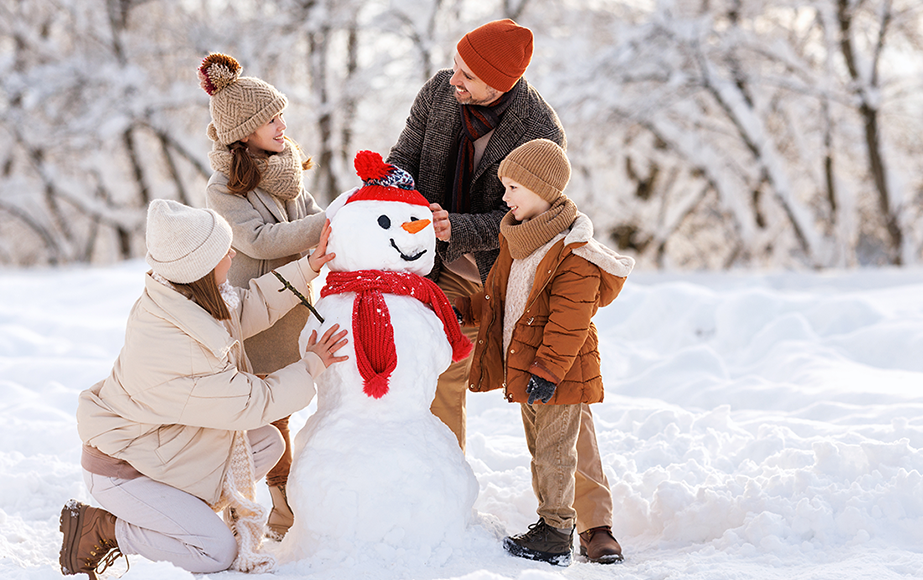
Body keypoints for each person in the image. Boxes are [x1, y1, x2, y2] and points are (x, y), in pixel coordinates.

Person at [385, 19, 624, 562]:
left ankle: (593, 522)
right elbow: (404, 154)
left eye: (469, 75)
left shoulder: (539, 128)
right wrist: (393, 184)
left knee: (564, 393)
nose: (455, 80)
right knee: (437, 371)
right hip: (443, 266)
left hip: (514, 271)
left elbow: (529, 214)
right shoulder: (438, 92)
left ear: (501, 81)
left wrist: (459, 226)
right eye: (456, 66)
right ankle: (441, 502)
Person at [57, 199, 347, 577]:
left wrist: (308, 266)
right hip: (124, 470)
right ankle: (105, 528)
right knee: (215, 551)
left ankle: (189, 516)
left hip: (164, 447)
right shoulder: (177, 347)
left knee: (267, 443)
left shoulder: (186, 300)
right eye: (221, 251)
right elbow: (254, 403)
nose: (231, 253)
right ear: (200, 268)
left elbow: (247, 308)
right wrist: (311, 365)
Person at [459, 140, 633, 565]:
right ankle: (551, 522)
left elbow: (569, 322)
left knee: (556, 453)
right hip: (528, 366)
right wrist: (464, 308)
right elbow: (500, 298)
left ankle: (556, 532)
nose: (505, 197)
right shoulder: (519, 241)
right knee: (542, 450)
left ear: (541, 189)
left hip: (558, 372)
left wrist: (548, 370)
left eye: (513, 187)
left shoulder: (575, 252)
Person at [196, 52, 328, 540]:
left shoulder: (286, 169)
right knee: (273, 415)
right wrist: (329, 224)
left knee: (298, 404)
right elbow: (262, 241)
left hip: (297, 305)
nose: (282, 124)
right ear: (244, 129)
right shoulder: (224, 188)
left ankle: (300, 500)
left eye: (280, 115)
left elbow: (308, 218)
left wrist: (333, 226)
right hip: (259, 312)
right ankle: (277, 508)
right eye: (270, 118)